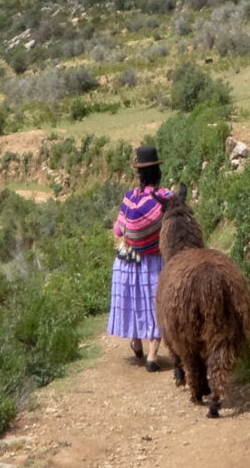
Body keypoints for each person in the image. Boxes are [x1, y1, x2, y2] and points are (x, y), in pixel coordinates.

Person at [107, 144, 171, 372]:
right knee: (155, 304)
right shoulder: (165, 197)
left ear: (140, 174)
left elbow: (117, 230)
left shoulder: (129, 198)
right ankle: (153, 354)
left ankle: (136, 343)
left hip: (127, 260)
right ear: (158, 172)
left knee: (133, 302)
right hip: (154, 261)